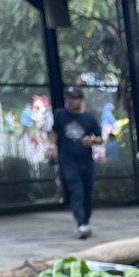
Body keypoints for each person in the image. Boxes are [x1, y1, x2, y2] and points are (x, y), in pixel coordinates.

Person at [50, 85, 103, 239]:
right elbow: (54, 132)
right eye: (68, 98)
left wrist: (92, 140)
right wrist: (53, 146)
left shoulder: (89, 118)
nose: (70, 101)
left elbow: (100, 138)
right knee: (76, 190)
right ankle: (81, 223)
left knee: (87, 192)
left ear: (80, 100)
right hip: (68, 160)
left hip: (86, 160)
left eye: (73, 98)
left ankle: (85, 221)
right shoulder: (60, 115)